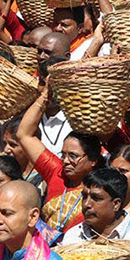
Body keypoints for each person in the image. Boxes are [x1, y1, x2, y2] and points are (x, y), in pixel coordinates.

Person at [17, 86, 104, 234]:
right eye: (63, 155)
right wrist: (45, 95)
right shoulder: (56, 172)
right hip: (47, 251)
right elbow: (24, 134)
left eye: (73, 156)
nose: (65, 161)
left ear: (93, 160)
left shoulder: (103, 187)